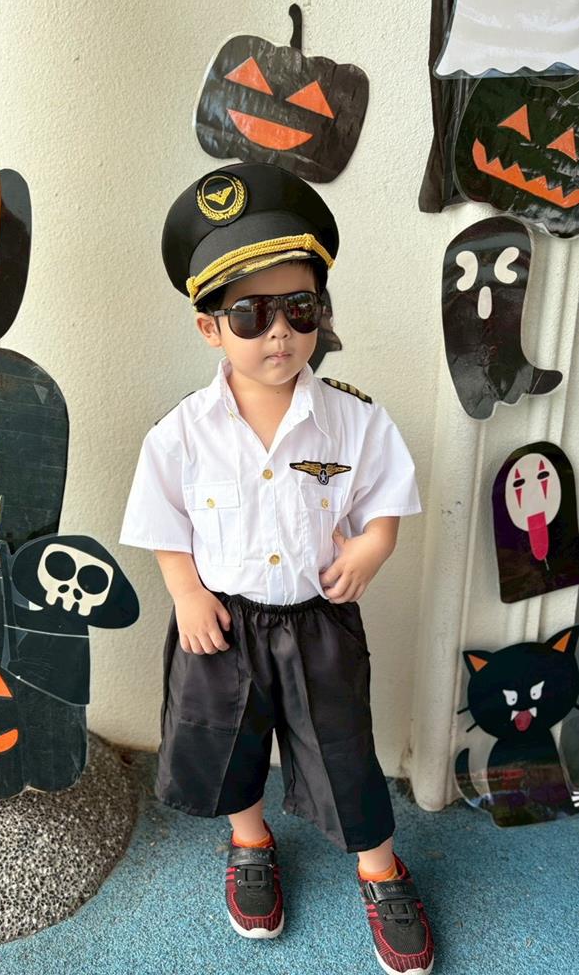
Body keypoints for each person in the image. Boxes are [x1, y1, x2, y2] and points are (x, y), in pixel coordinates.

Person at [119, 163, 434, 975]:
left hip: (317, 622)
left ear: (319, 313)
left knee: (342, 748)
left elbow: (385, 496)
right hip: (220, 621)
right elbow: (162, 520)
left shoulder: (353, 420)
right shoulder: (180, 433)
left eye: (298, 308)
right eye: (249, 314)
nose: (278, 333)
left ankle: (379, 867)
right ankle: (250, 840)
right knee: (224, 741)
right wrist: (185, 592)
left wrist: (371, 547)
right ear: (209, 328)